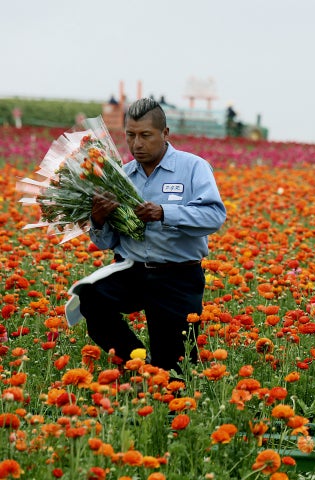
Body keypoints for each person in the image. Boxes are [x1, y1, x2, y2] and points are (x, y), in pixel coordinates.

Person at [78, 97, 226, 376]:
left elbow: (214, 217)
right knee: (91, 297)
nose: (137, 144)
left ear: (165, 133)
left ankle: (159, 373)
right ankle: (138, 361)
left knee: (174, 373)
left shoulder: (193, 168)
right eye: (130, 136)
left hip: (177, 277)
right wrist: (98, 219)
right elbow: (105, 242)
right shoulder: (121, 175)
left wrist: (164, 213)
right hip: (131, 271)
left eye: (145, 135)